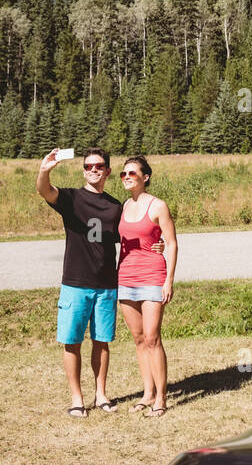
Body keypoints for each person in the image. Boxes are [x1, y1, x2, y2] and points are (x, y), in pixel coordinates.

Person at [36, 147, 123, 418]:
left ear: (107, 170)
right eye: (88, 166)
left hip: (106, 284)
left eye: (98, 166)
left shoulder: (115, 206)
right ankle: (77, 398)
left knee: (102, 341)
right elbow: (45, 191)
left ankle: (101, 394)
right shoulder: (71, 198)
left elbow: (130, 237)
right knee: (72, 342)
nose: (93, 170)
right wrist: (44, 170)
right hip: (75, 283)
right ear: (83, 170)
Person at [116, 155, 178, 418]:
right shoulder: (123, 206)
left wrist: (169, 280)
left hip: (153, 276)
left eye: (132, 173)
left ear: (145, 177)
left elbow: (172, 243)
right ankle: (147, 393)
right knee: (139, 339)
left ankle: (161, 399)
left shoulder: (158, 205)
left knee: (153, 338)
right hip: (126, 279)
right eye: (123, 174)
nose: (127, 177)